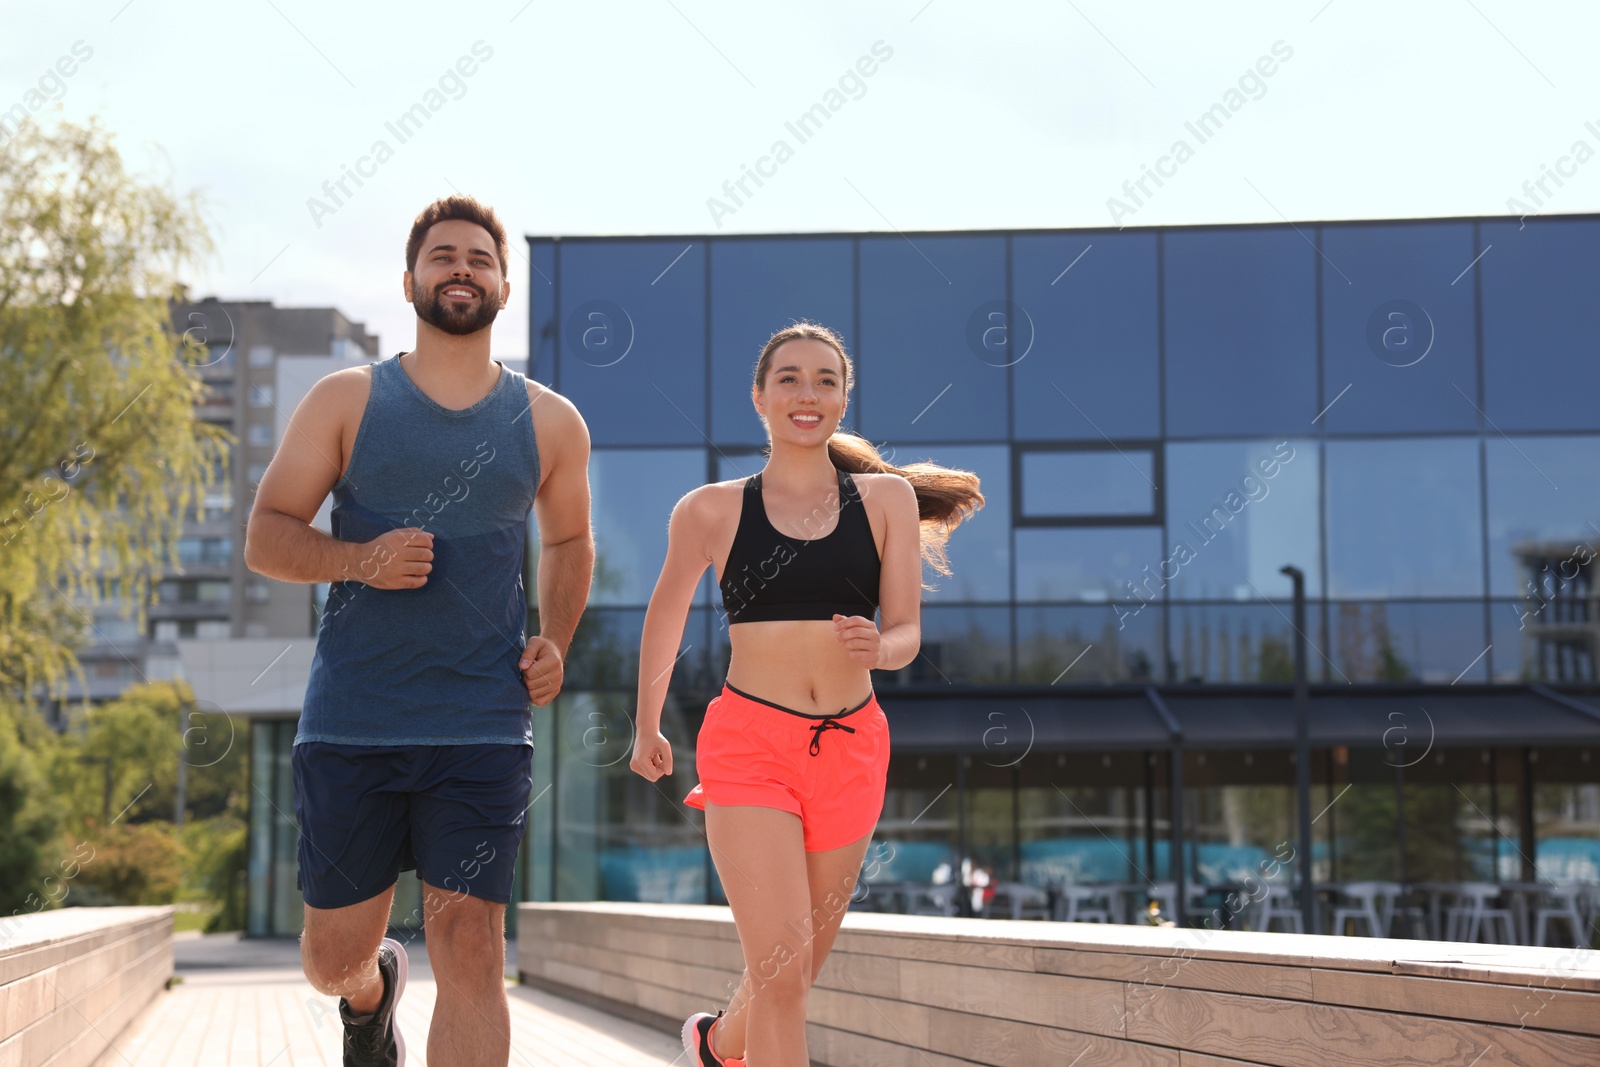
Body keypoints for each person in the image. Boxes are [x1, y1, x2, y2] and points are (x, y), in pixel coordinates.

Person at [245, 195, 594, 1067]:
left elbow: (570, 538)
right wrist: (359, 560)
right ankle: (371, 997)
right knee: (330, 959)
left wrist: (557, 637)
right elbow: (267, 535)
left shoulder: (550, 420)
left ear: (504, 286)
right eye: (442, 256)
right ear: (410, 282)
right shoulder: (348, 399)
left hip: (481, 724)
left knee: (473, 943)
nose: (461, 268)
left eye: (479, 257)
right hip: (353, 721)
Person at [628, 321, 983, 1067]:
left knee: (794, 971)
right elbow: (664, 621)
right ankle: (721, 1045)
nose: (807, 393)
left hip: (852, 747)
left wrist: (880, 648)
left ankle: (716, 1045)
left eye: (825, 379)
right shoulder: (711, 510)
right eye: (788, 377)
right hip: (751, 748)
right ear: (759, 396)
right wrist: (646, 725)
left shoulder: (883, 500)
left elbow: (908, 629)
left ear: (844, 398)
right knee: (784, 976)